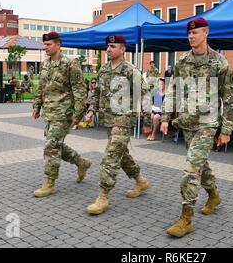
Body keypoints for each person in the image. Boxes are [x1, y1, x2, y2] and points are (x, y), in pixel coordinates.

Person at [160, 17, 233, 238]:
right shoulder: (182, 61)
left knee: (191, 169)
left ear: (206, 33)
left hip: (208, 124)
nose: (191, 36)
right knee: (201, 165)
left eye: (196, 33)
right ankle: (213, 194)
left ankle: (186, 218)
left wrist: (227, 130)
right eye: (189, 33)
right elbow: (173, 91)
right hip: (187, 123)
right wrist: (165, 117)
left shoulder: (220, 63)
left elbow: (229, 98)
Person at [85, 34, 152, 215]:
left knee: (111, 155)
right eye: (108, 46)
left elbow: (144, 95)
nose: (108, 49)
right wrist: (91, 110)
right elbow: (98, 92)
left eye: (113, 46)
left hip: (123, 120)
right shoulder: (103, 70)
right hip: (108, 120)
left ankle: (103, 196)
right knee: (122, 155)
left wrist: (147, 121)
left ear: (123, 49)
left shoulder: (131, 71)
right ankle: (140, 180)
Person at [32, 31, 92, 197]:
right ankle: (81, 162)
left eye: (48, 45)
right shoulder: (45, 64)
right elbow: (41, 87)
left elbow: (80, 89)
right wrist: (37, 106)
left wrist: (78, 114)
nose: (45, 48)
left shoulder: (70, 64)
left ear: (58, 45)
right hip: (49, 112)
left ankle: (50, 182)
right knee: (56, 144)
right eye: (44, 45)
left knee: (51, 145)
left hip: (64, 112)